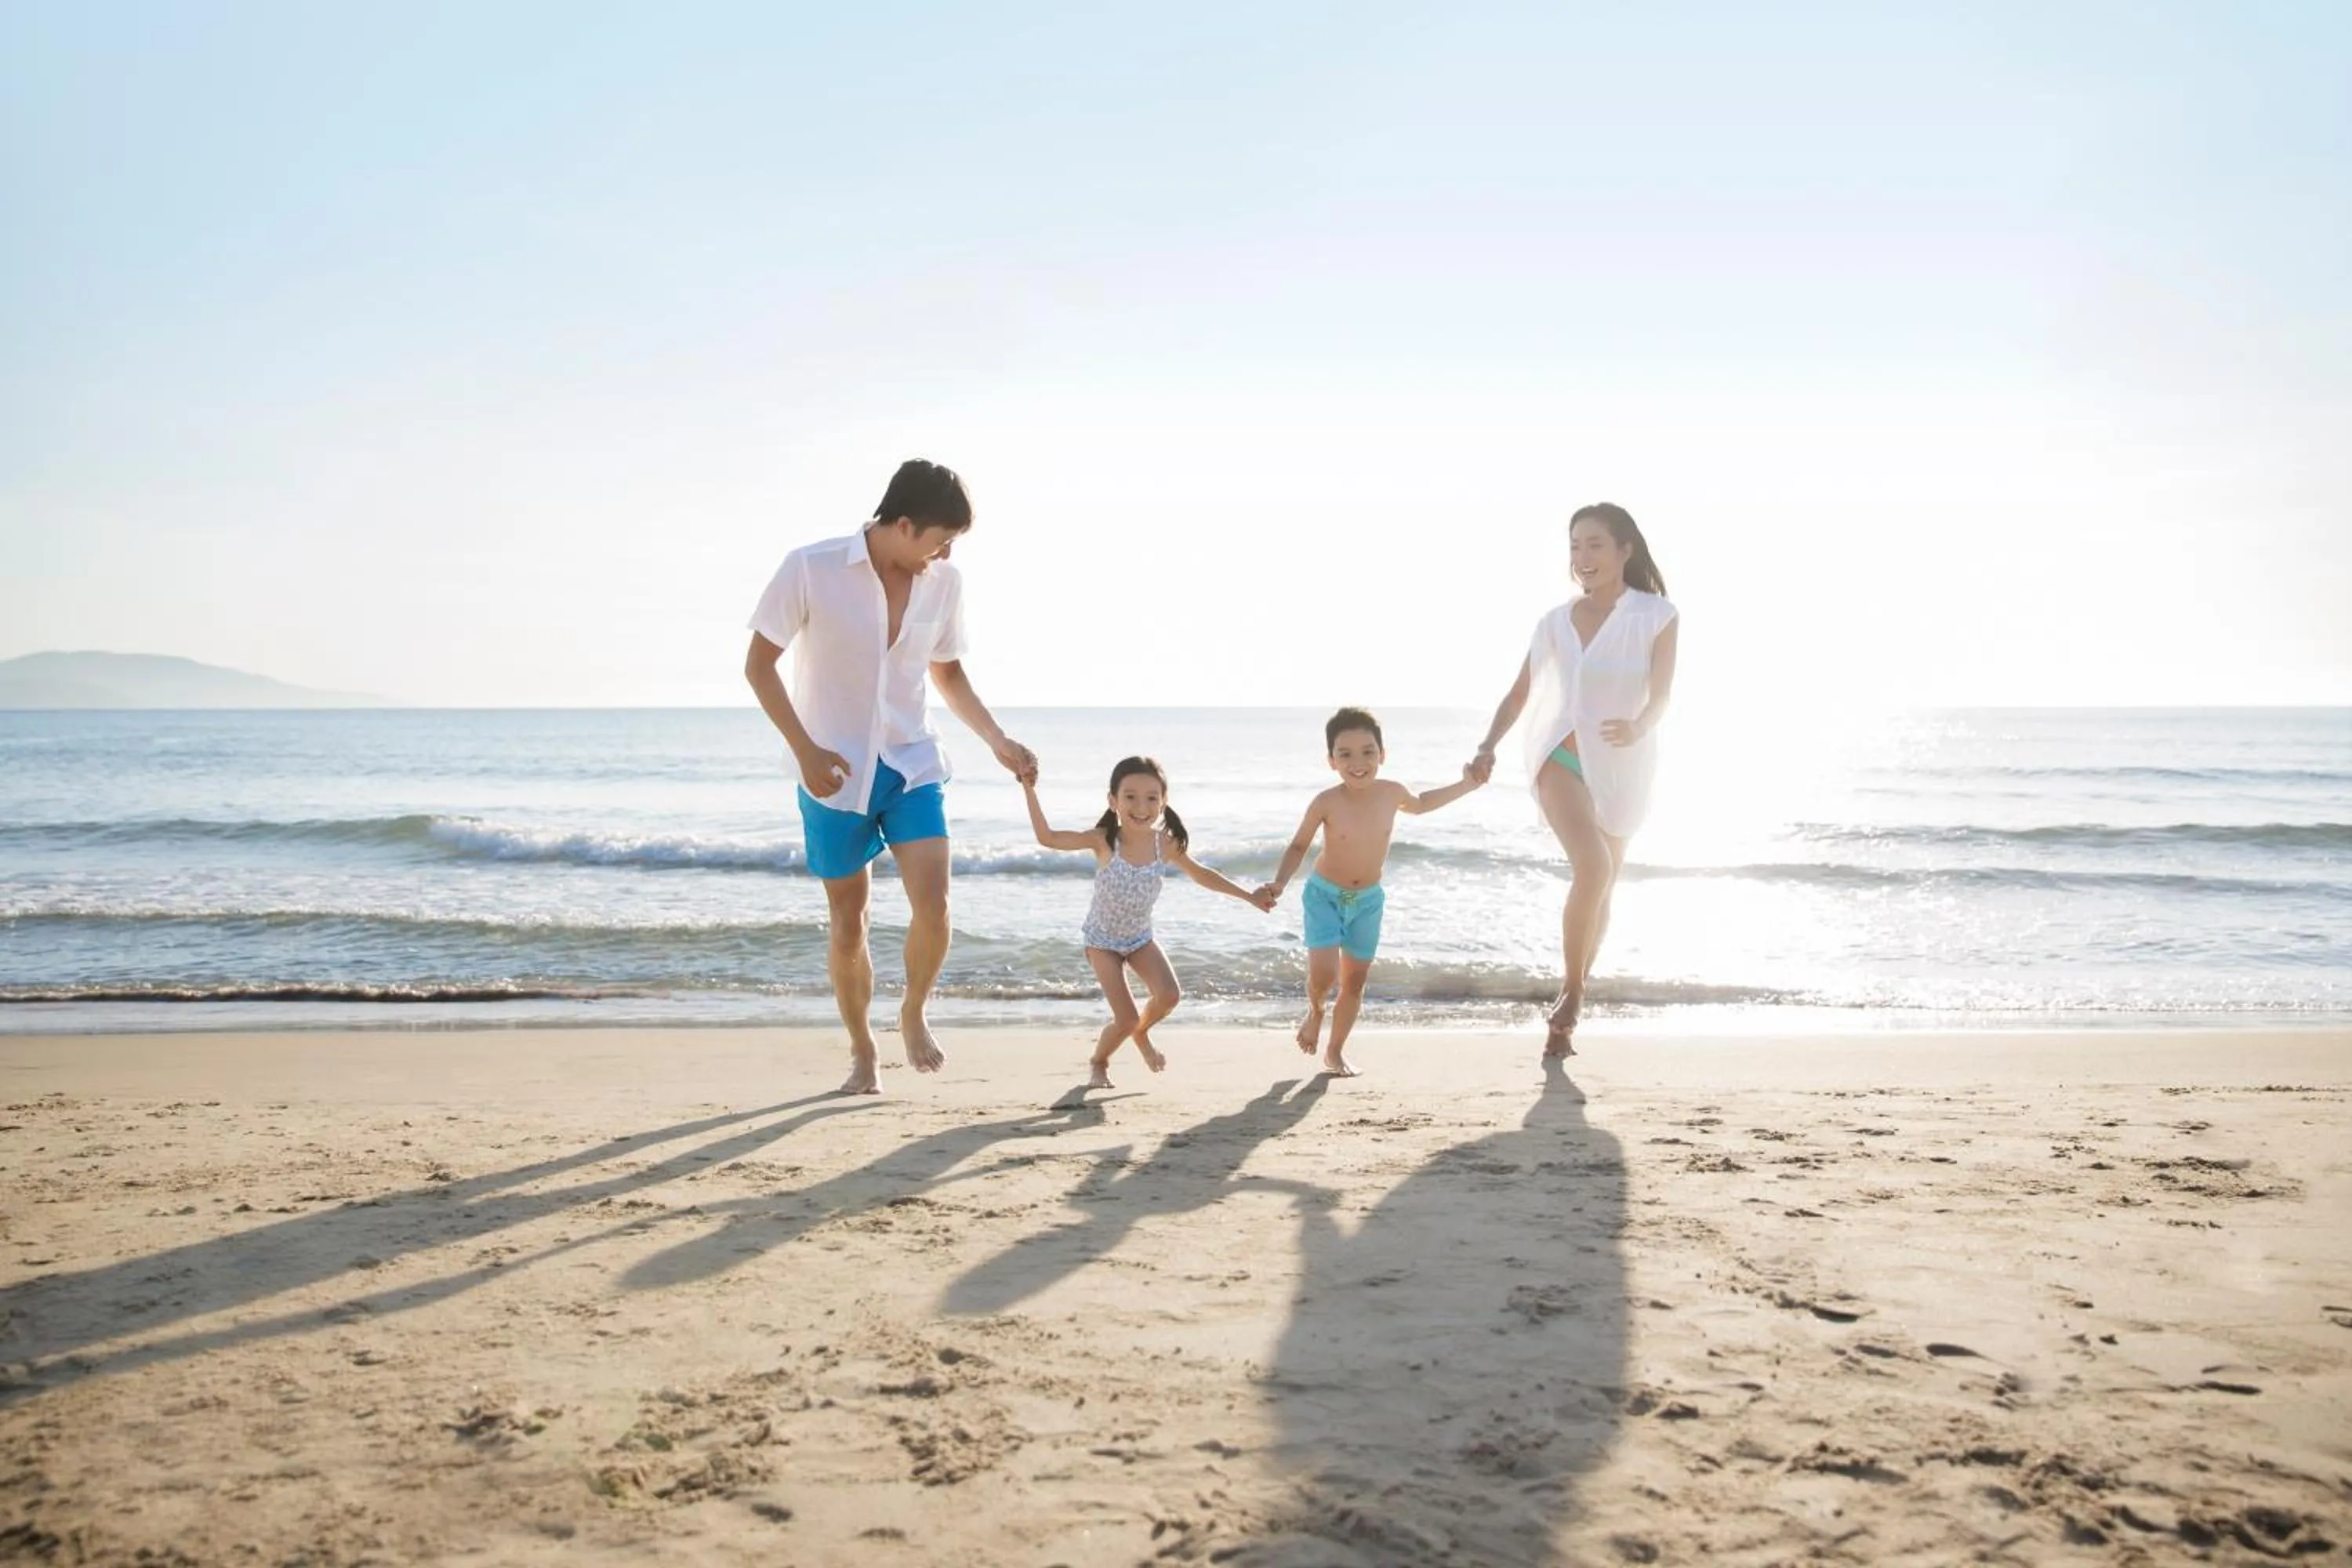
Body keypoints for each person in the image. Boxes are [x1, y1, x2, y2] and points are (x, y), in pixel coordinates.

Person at [742, 459, 1036, 1095]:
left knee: (935, 904)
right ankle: (862, 1050)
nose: (946, 553)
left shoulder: (944, 583)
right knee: (850, 922)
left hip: (912, 761)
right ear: (903, 525)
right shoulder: (811, 567)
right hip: (833, 772)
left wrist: (997, 740)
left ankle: (914, 1010)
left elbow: (947, 672)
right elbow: (759, 666)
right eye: (940, 539)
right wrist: (805, 750)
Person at [1467, 503, 1679, 1058]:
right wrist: (1488, 745)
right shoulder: (1554, 623)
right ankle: (1574, 990)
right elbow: (1520, 693)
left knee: (1603, 885)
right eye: (1575, 546)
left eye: (1595, 545)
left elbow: (1662, 695)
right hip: (1560, 757)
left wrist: (1639, 726)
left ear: (1624, 550)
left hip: (1625, 765)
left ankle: (1564, 1021)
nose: (1583, 557)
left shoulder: (1656, 615)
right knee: (1594, 867)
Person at [1022, 757, 1274, 1088]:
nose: (1141, 807)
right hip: (1101, 942)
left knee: (1169, 996)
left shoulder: (1165, 844)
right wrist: (1029, 788)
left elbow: (1202, 875)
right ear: (1113, 801)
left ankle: (1140, 1033)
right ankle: (1100, 1061)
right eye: (1130, 797)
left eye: (1151, 798)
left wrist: (1250, 896)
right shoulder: (1103, 840)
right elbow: (1048, 838)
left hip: (1140, 939)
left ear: (1163, 802)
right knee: (1125, 1018)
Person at [1260, 707, 1483, 1077]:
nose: (1358, 763)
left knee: (1355, 981)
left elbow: (1422, 804)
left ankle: (1335, 1051)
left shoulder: (1392, 793)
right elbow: (1299, 845)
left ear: (1383, 754)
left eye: (1368, 752)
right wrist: (1280, 882)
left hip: (1367, 902)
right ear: (1331, 761)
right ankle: (1315, 1011)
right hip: (1325, 896)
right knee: (1324, 976)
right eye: (1345, 754)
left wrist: (1467, 785)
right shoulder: (1326, 802)